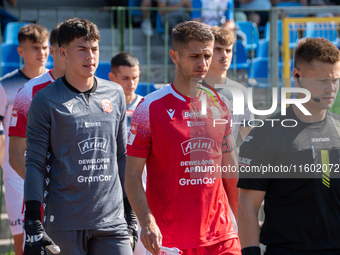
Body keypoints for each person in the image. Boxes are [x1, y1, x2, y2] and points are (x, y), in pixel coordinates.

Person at [125, 20, 241, 255]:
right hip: (170, 239)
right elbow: (132, 175)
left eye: (207, 55)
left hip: (222, 235)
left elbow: (230, 169)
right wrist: (146, 222)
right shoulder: (149, 108)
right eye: (194, 56)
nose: (203, 63)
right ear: (174, 56)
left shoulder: (221, 104)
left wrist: (240, 221)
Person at [23, 18, 136, 255]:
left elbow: (122, 156)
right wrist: (33, 220)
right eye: (82, 49)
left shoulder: (115, 93)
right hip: (65, 221)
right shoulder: (44, 100)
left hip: (112, 221)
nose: (90, 57)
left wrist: (131, 212)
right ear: (63, 53)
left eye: (94, 49)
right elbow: (34, 163)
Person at [237, 37, 340, 255]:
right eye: (322, 81)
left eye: (336, 80)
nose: (331, 88)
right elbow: (248, 205)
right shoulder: (266, 133)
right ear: (297, 76)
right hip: (287, 249)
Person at [0, 23, 49, 255]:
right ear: (20, 51)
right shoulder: (5, 85)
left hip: (51, 169)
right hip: (17, 173)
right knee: (23, 244)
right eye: (35, 48)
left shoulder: (57, 83)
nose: (42, 53)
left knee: (54, 239)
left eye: (45, 47)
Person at [204, 26, 253, 232]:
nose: (224, 55)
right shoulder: (189, 88)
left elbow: (251, 138)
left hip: (230, 174)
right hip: (199, 174)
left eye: (228, 50)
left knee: (233, 234)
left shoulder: (241, 92)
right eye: (218, 49)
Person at [8, 23, 65, 180]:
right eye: (35, 48)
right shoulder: (25, 90)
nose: (41, 53)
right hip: (25, 176)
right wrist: (39, 188)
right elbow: (14, 151)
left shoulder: (99, 90)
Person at [109, 51, 147, 255]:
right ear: (112, 77)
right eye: (125, 78)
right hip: (110, 186)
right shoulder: (103, 105)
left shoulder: (147, 106)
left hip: (141, 185)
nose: (131, 83)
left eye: (135, 77)